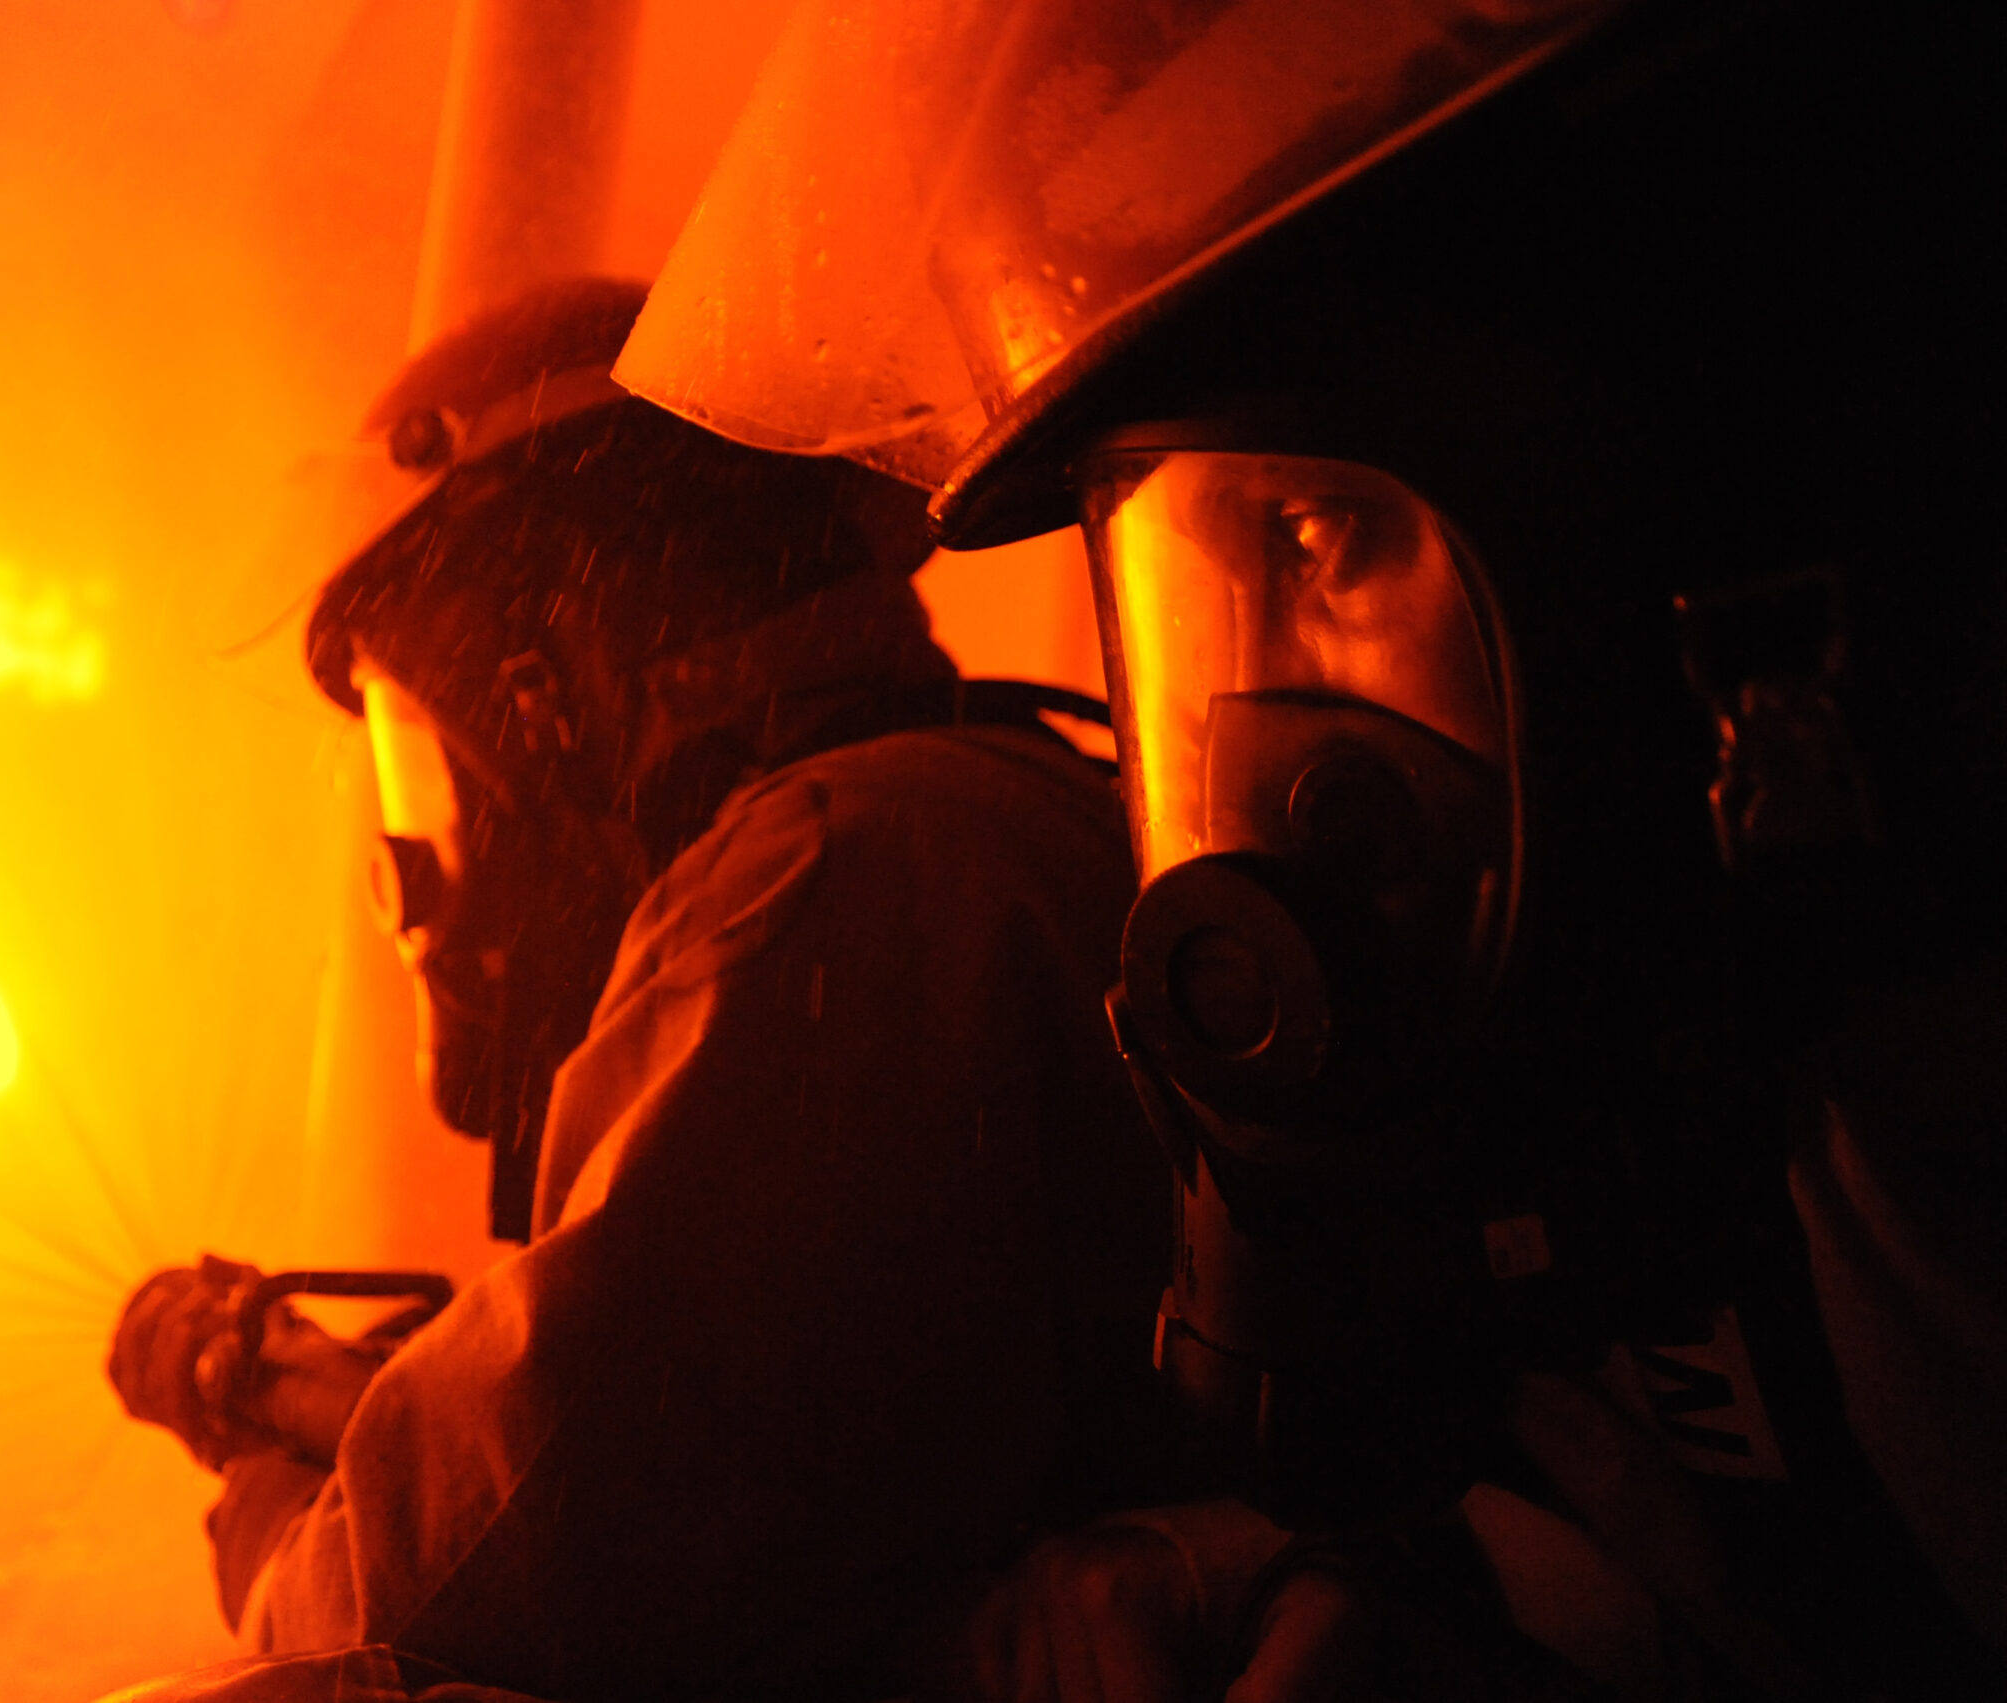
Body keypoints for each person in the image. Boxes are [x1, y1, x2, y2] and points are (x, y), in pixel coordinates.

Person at [615, 0, 2007, 1695]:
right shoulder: (1661, 1118)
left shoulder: (1900, 1163)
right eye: (1198, 596)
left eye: (1321, 537)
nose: (1256, 753)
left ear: (1686, 527)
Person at [103, 278, 1176, 1703]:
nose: (421, 867)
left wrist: (268, 1503)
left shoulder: (826, 884)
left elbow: (469, 1593)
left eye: (422, 747)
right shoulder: (974, 815)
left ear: (540, 681)